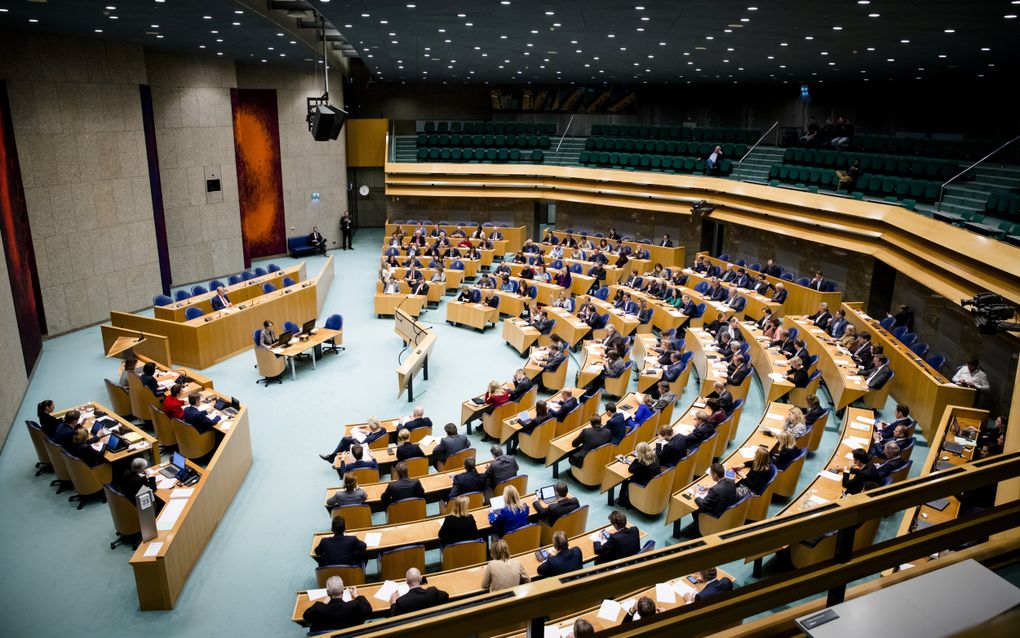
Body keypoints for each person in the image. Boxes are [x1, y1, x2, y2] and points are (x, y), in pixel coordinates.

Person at [302, 575, 371, 633]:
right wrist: (356, 595)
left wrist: (323, 602)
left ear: (327, 593)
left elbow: (306, 616)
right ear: (342, 591)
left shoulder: (318, 608)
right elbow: (368, 609)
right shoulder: (353, 605)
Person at [687, 463, 739, 537]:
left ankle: (698, 530)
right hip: (726, 509)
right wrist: (710, 488)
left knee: (695, 509)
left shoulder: (715, 490)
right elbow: (722, 487)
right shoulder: (731, 481)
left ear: (715, 475)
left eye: (711, 473)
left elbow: (703, 504)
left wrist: (696, 494)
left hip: (716, 514)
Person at [321, 417, 388, 463]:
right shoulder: (383, 429)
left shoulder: (370, 438)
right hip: (374, 444)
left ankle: (332, 457)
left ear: (371, 427)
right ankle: (332, 457)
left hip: (364, 447)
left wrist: (354, 438)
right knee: (347, 441)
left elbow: (360, 446)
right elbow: (375, 434)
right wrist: (367, 432)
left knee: (346, 441)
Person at [619, 442, 662, 508]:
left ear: (640, 453)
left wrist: (637, 458)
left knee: (625, 481)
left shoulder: (642, 463)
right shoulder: (654, 456)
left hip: (645, 484)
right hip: (652, 482)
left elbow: (630, 469)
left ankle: (624, 502)